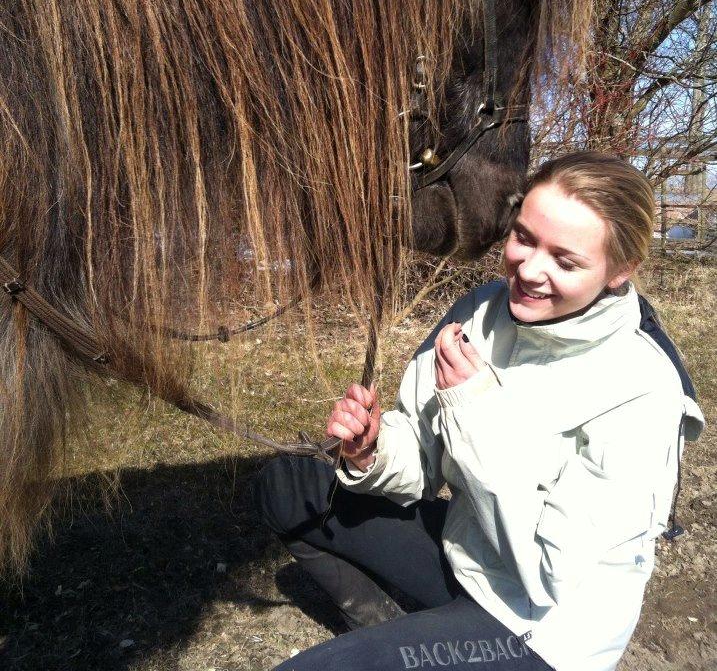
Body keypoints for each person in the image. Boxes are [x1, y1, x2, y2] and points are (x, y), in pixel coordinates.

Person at [255, 151, 704, 671]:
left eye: (566, 260)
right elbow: (419, 455)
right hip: (466, 553)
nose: (530, 270)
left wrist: (473, 408)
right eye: (525, 238)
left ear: (620, 271)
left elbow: (546, 572)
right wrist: (371, 449)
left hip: (541, 626)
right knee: (289, 487)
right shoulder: (484, 310)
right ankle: (390, 631)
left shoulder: (645, 390)